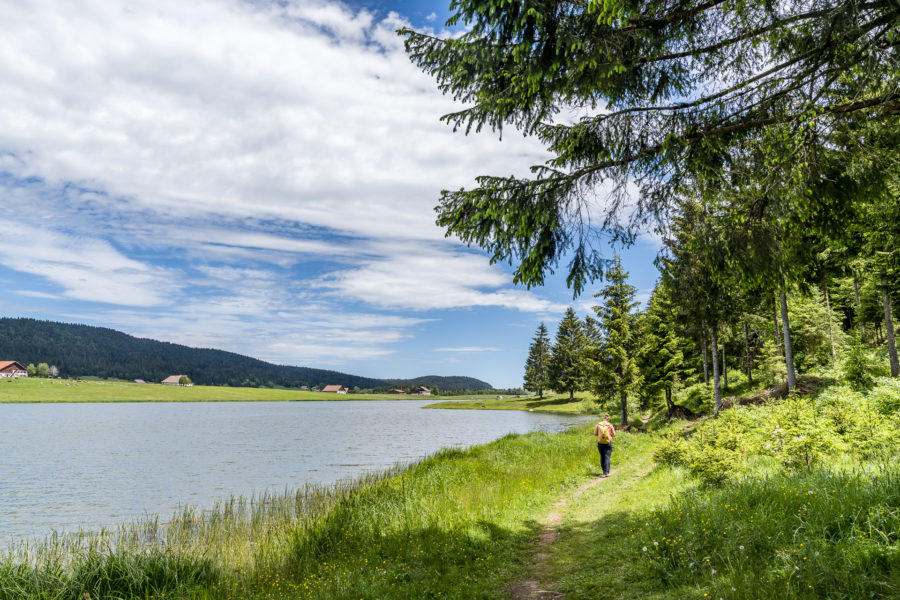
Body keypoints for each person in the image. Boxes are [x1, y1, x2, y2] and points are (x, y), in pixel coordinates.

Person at [594, 413, 615, 477]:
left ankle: (604, 471)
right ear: (608, 418)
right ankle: (607, 472)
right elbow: (614, 435)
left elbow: (595, 433)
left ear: (603, 418)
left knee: (602, 456)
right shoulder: (610, 425)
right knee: (607, 457)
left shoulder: (598, 425)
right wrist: (610, 434)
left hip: (600, 443)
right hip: (608, 443)